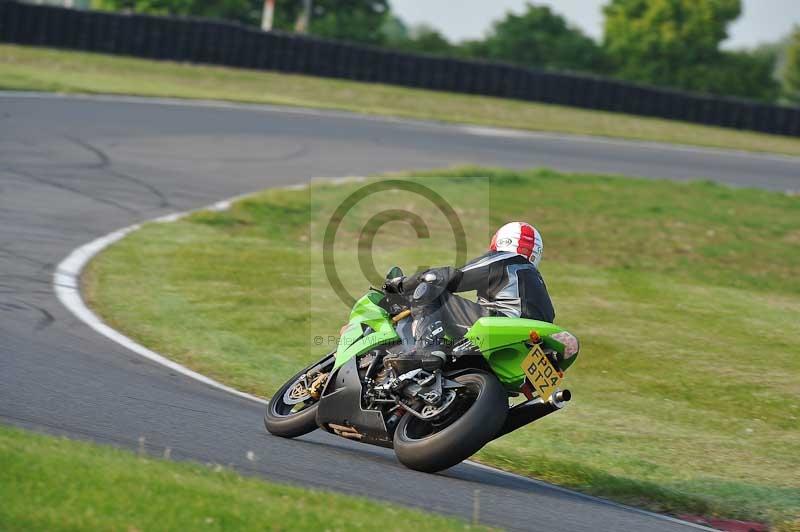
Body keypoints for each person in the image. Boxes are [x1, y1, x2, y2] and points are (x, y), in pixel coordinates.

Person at [383, 221, 555, 373]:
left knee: (429, 287)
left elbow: (446, 277)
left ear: (500, 241)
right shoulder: (538, 281)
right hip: (530, 345)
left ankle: (427, 350)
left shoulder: (505, 259)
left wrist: (401, 285)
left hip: (500, 325)